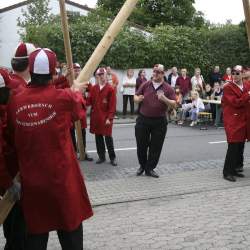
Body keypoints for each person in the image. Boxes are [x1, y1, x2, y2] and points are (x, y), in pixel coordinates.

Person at [8, 48, 93, 250]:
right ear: (54, 71)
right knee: (71, 236)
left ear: (30, 68)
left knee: (35, 239)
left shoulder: (15, 101)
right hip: (63, 184)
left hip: (34, 185)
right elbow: (79, 110)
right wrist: (77, 91)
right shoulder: (65, 98)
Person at [134, 64, 176, 178]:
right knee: (141, 145)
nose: (155, 74)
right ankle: (142, 166)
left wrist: (164, 99)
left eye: (158, 72)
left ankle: (150, 169)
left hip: (159, 121)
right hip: (143, 119)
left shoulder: (168, 88)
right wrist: (138, 99)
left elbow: (174, 104)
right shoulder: (146, 84)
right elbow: (136, 96)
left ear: (163, 74)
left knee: (156, 146)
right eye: (154, 71)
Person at [0, 70, 26, 250]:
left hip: (7, 180)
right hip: (7, 181)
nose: (10, 93)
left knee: (11, 218)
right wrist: (9, 183)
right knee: (17, 226)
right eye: (6, 90)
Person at [222, 65, 250, 182]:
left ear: (243, 74)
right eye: (233, 73)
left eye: (238, 73)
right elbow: (236, 103)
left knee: (240, 146)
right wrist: (248, 95)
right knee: (233, 146)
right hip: (233, 120)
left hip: (244, 120)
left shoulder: (247, 85)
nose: (235, 75)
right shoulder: (228, 87)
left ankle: (234, 169)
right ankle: (227, 172)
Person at [87, 67, 118, 166]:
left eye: (102, 74)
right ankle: (101, 156)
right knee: (98, 137)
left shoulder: (110, 89)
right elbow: (89, 101)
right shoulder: (94, 88)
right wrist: (80, 97)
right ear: (97, 76)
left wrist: (109, 118)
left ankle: (112, 157)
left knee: (108, 138)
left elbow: (112, 106)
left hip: (106, 118)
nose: (101, 77)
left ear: (106, 75)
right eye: (99, 75)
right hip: (96, 117)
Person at [70, 63, 93, 161]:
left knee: (82, 132)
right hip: (70, 112)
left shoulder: (85, 81)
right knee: (71, 133)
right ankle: (74, 153)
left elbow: (91, 94)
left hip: (80, 111)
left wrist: (85, 103)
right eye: (75, 70)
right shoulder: (68, 81)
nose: (76, 71)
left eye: (78, 70)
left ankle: (83, 152)